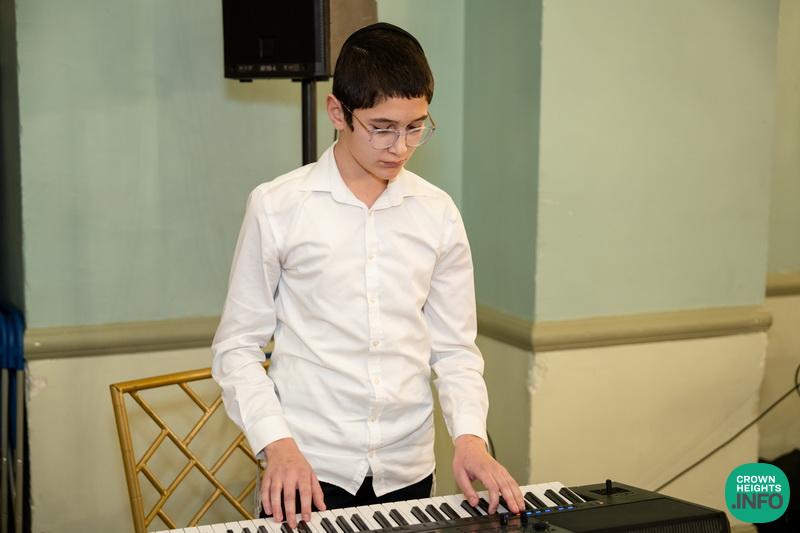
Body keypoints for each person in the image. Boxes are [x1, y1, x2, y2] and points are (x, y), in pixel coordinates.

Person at [211, 22, 525, 529]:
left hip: (408, 469)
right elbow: (236, 348)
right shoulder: (277, 206)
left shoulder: (437, 212)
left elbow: (454, 350)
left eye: (416, 127)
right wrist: (277, 444)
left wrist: (469, 438)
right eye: (382, 128)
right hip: (306, 468)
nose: (400, 146)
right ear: (338, 112)